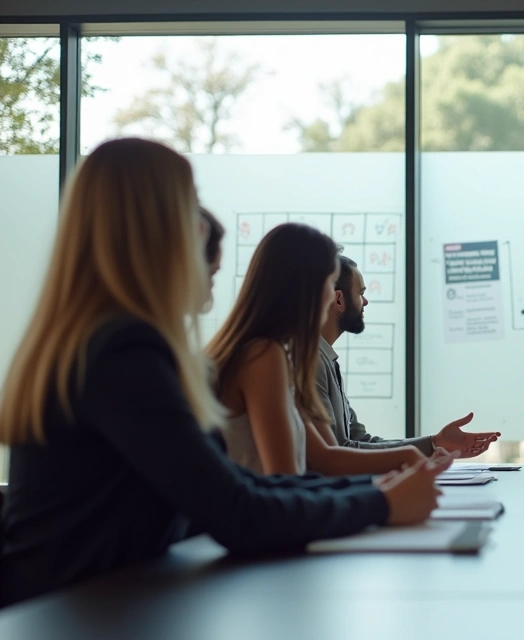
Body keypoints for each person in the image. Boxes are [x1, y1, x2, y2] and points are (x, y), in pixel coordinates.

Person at [0, 138, 448, 608]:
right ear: (153, 229)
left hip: (96, 607)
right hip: (70, 617)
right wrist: (380, 504)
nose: (206, 227)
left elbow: (240, 489)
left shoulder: (103, 342)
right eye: (190, 206)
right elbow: (236, 511)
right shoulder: (122, 353)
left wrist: (379, 489)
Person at [208, 223, 475, 476]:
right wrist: (396, 480)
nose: (332, 295)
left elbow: (327, 456)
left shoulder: (282, 355)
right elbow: (292, 480)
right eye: (329, 282)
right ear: (312, 289)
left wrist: (415, 459)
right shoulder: (264, 355)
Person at [318, 254, 499, 456]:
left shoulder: (326, 359)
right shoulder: (312, 363)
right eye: (360, 293)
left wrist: (434, 444)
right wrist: (427, 449)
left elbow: (360, 441)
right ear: (339, 300)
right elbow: (340, 452)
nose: (365, 302)